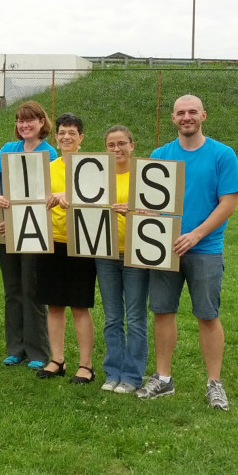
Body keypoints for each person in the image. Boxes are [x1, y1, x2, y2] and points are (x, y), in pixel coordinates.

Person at [136, 95, 238, 410]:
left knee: (208, 315)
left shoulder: (222, 155)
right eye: (181, 112)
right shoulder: (160, 155)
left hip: (205, 249)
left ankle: (214, 383)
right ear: (173, 118)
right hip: (164, 248)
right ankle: (163, 378)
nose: (187, 117)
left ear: (203, 116)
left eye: (192, 112)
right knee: (162, 311)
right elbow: (150, 203)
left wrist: (196, 235)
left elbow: (228, 204)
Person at [0, 101, 57, 370]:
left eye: (30, 120)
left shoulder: (50, 154)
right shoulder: (7, 150)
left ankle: (38, 350)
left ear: (42, 122)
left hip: (36, 228)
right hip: (9, 228)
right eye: (20, 120)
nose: (24, 125)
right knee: (13, 289)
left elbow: (52, 192)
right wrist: (0, 205)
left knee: (32, 290)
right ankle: (15, 347)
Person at [36, 112, 98, 383]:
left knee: (80, 306)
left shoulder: (93, 167)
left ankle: (86, 365)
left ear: (81, 138)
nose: (66, 137)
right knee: (55, 305)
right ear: (56, 136)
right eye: (61, 132)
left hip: (82, 241)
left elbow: (99, 199)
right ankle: (57, 359)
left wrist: (67, 197)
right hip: (52, 241)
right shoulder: (48, 167)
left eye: (72, 133)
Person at [95, 125, 150, 394]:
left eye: (121, 143)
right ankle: (112, 371)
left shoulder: (144, 176)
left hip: (135, 254)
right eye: (111, 145)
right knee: (112, 317)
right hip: (105, 253)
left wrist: (134, 211)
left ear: (132, 145)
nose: (117, 149)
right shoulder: (97, 176)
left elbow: (159, 212)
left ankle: (132, 375)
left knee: (135, 318)